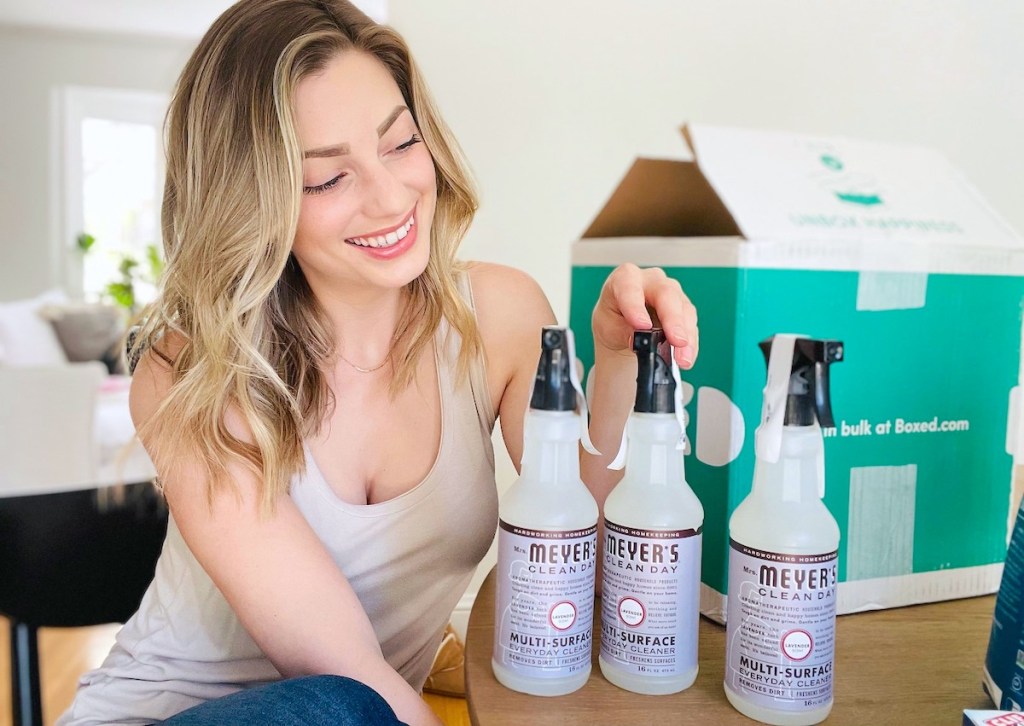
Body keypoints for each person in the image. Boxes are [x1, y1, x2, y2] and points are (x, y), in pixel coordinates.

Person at [58, 1, 698, 724]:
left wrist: (616, 361)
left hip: (365, 711)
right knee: (335, 706)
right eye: (329, 180)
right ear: (252, 202)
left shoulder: (500, 316)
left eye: (399, 145)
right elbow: (344, 669)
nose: (393, 197)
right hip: (186, 713)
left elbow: (601, 547)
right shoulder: (189, 371)